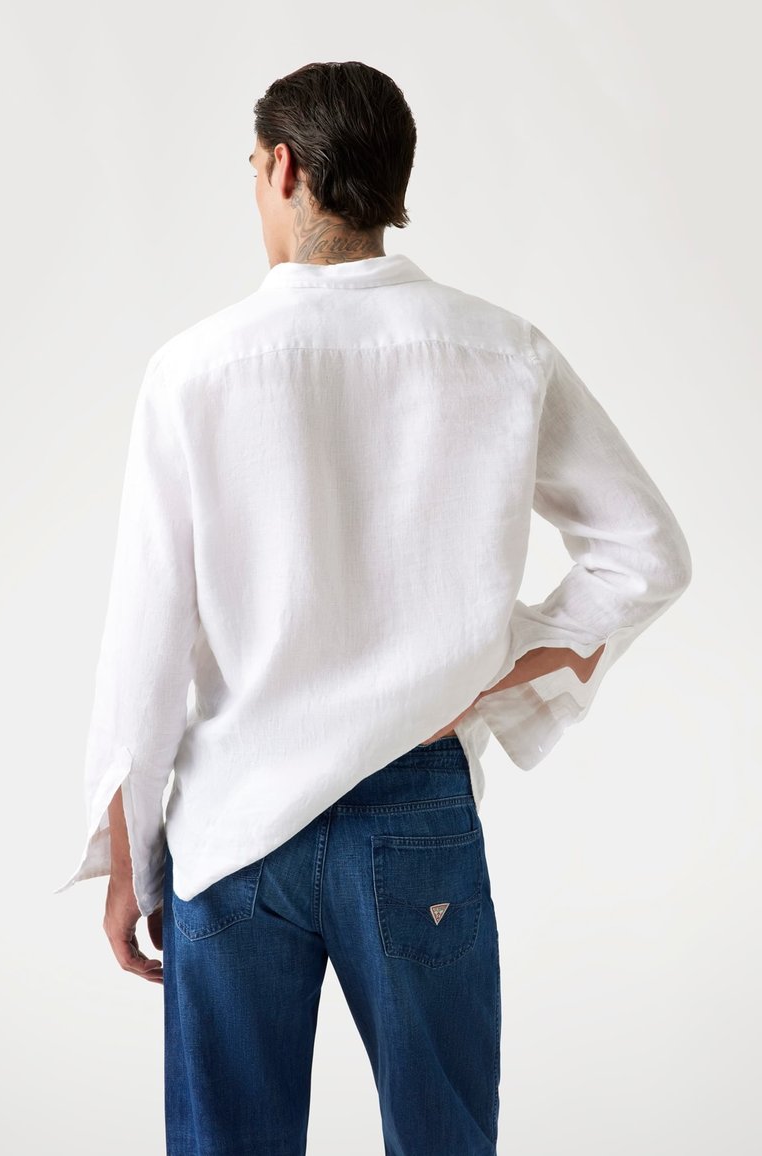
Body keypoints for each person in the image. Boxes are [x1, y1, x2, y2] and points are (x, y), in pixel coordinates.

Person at [54, 60, 692, 1155]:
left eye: (254, 170)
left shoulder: (195, 369)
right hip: (415, 813)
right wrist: (496, 674)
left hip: (234, 825)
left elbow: (144, 644)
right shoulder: (501, 349)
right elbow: (647, 553)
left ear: (283, 168)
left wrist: (129, 857)